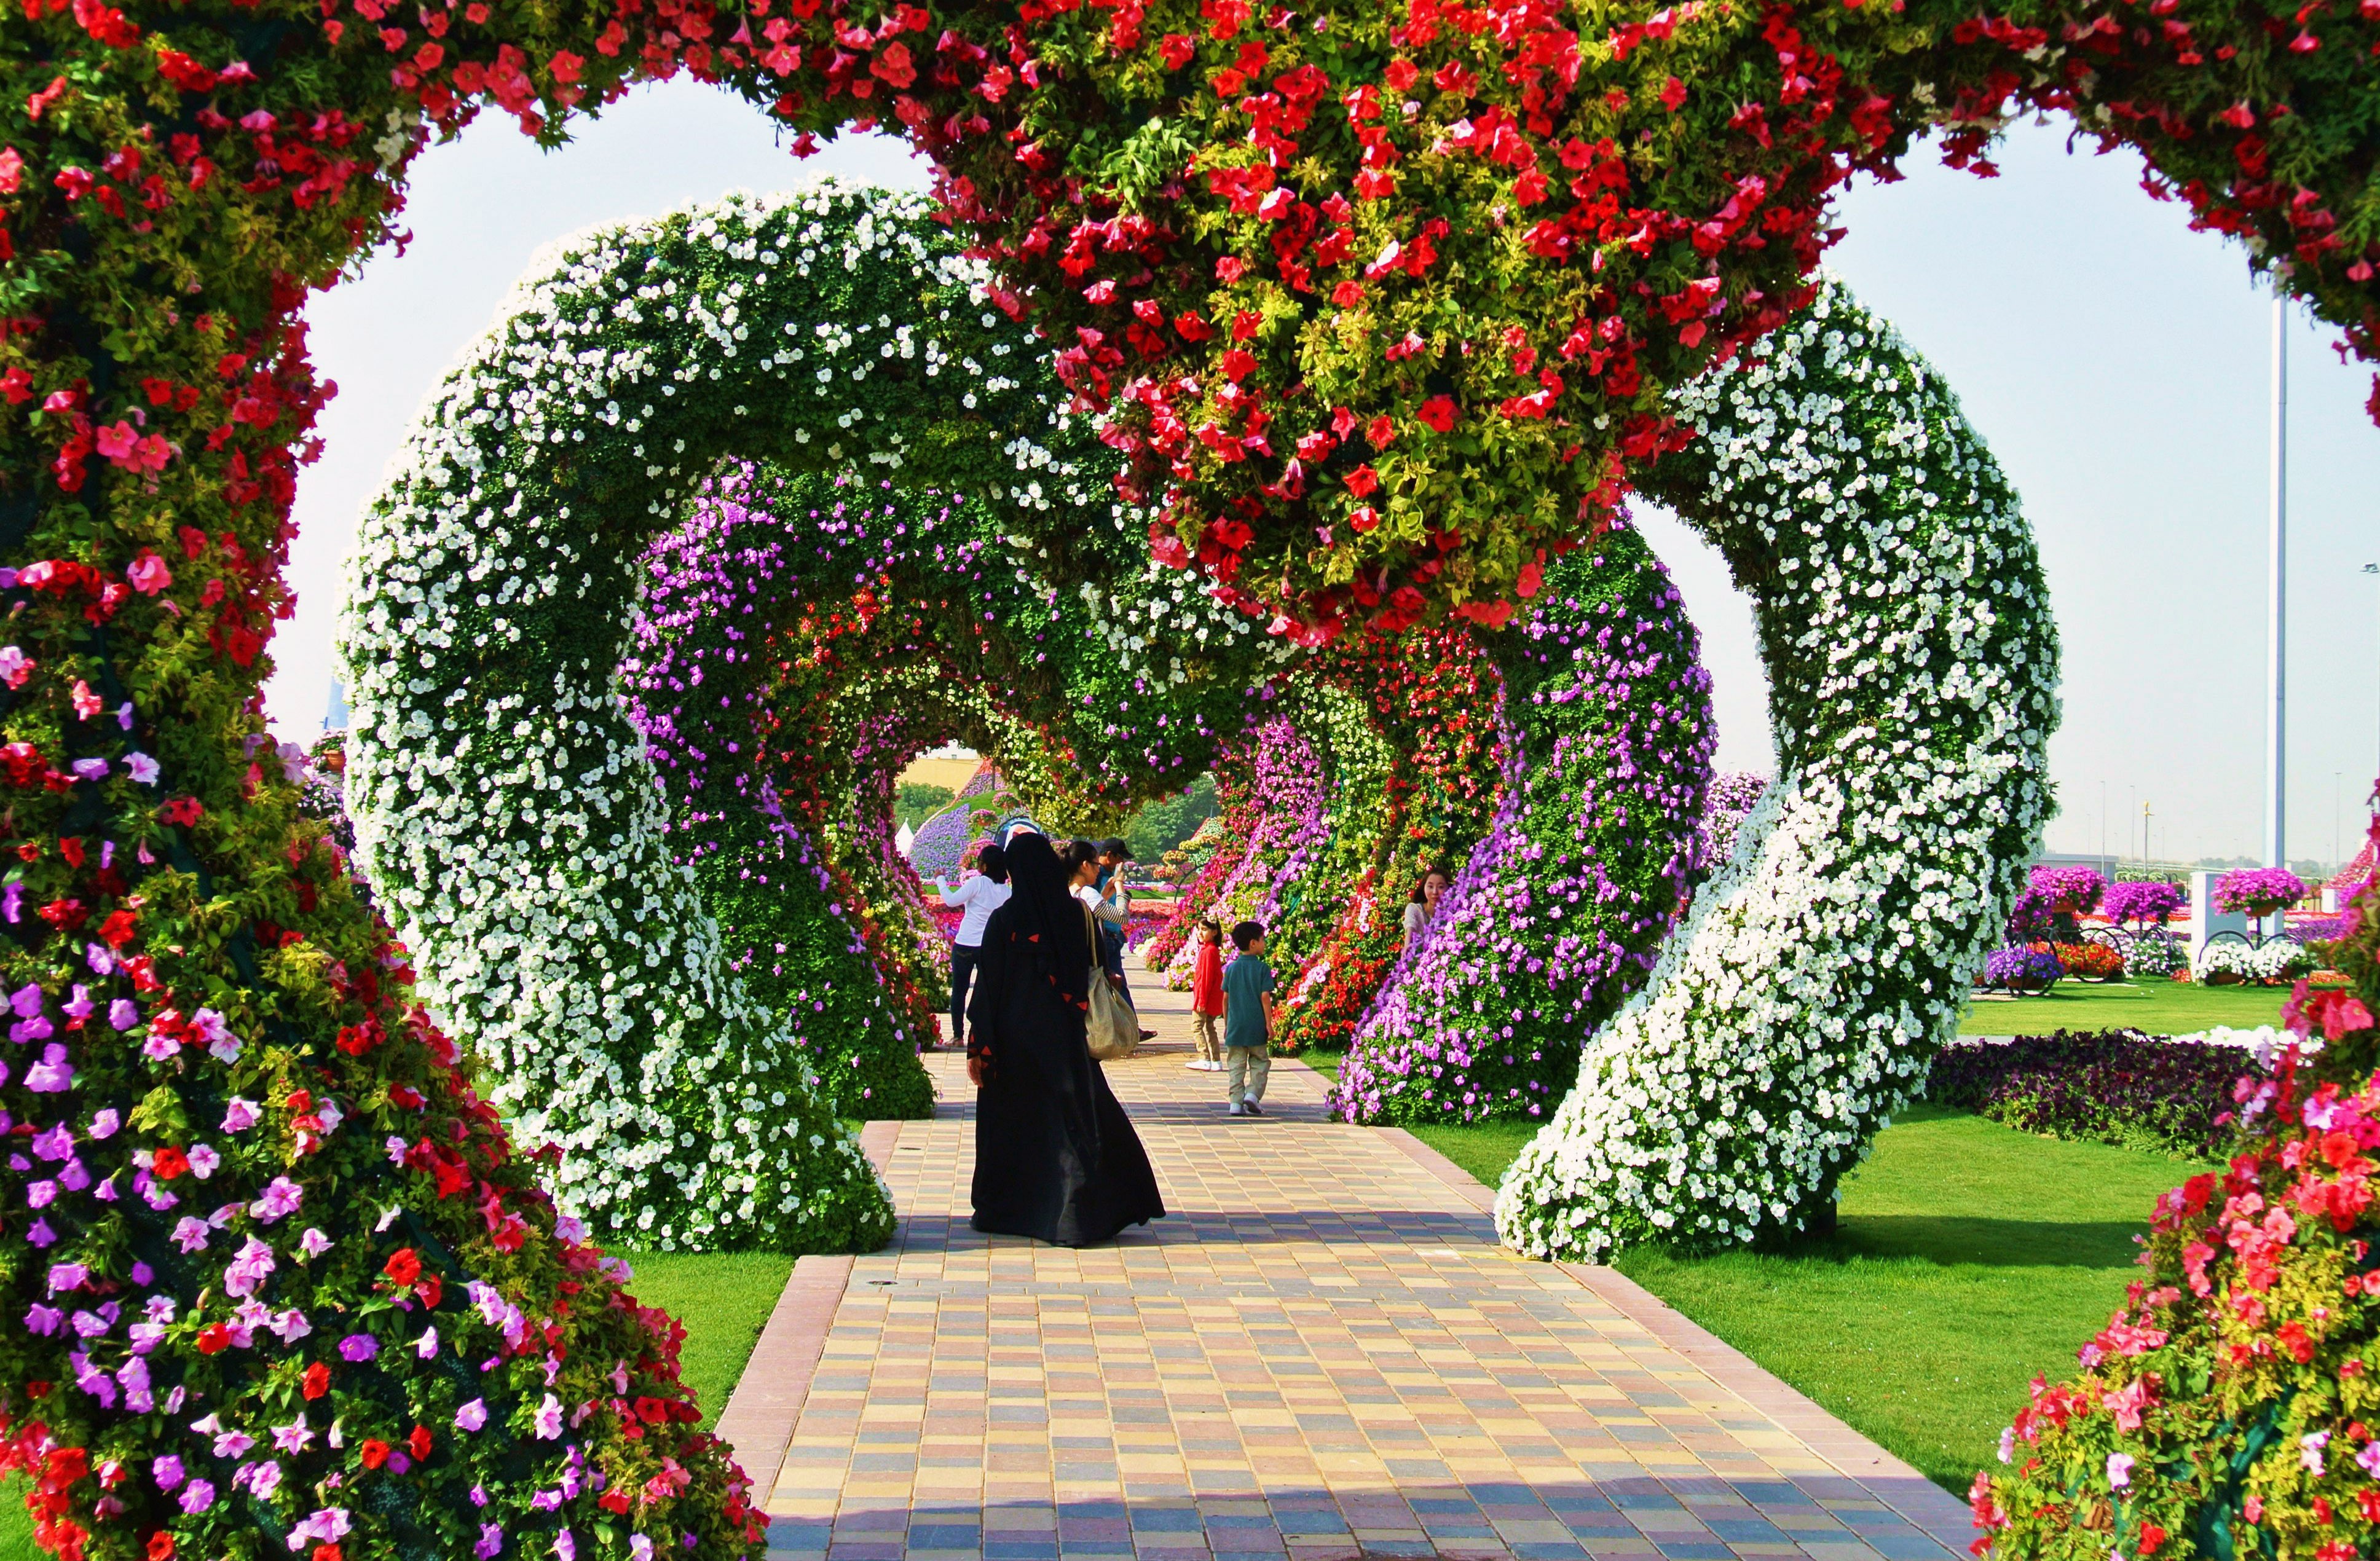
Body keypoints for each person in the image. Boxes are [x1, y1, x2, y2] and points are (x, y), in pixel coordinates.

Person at [964, 832, 1166, 1245]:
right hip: (1062, 1039)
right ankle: (1078, 1215)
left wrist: (981, 1047)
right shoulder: (1074, 916)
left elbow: (988, 987)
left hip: (1013, 1044)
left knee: (1017, 1125)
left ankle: (1013, 1210)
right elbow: (1084, 973)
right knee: (1073, 1121)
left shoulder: (1006, 920)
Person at [932, 843, 1009, 1052]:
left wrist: (940, 878)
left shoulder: (977, 884)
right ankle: (988, 1035)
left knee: (959, 990)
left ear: (983, 866)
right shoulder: (1006, 891)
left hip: (966, 943)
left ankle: (958, 1036)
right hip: (990, 946)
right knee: (990, 992)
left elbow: (950, 900)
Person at [1221, 919, 1275, 1117]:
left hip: (1235, 1027)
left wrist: (1227, 1024)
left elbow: (1225, 998)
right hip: (1256, 1026)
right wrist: (1269, 1024)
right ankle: (1253, 1094)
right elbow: (1265, 997)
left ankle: (1235, 1103)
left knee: (1236, 1066)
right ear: (1253, 943)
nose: (1264, 943)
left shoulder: (1231, 969)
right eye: (1262, 940)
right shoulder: (1262, 969)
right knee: (1260, 1062)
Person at [1188, 917, 1226, 1072]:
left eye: (1204, 930)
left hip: (1204, 998)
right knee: (1210, 1027)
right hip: (1213, 997)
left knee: (1197, 1027)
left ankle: (1204, 1058)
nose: (1200, 933)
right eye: (1199, 929)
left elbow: (1206, 979)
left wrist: (1201, 1000)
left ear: (1215, 932)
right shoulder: (1211, 950)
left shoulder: (1208, 952)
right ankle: (1216, 1060)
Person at [1402, 866, 1451, 951]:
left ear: (1449, 889)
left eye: (1440, 887)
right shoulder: (1414, 909)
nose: (1435, 892)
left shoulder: (1452, 911)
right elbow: (1411, 926)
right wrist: (1407, 946)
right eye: (1430, 887)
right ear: (1424, 887)